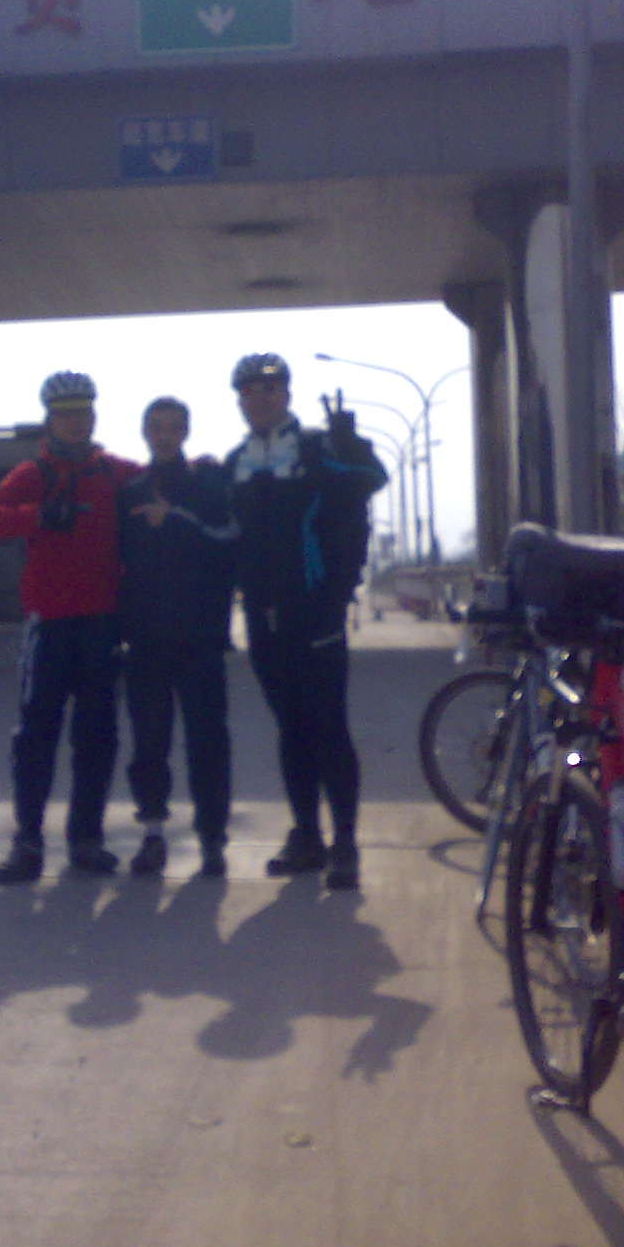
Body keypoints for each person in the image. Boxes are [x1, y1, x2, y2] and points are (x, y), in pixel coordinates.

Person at [225, 353, 388, 890]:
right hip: (263, 615)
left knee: (328, 726)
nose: (260, 398)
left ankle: (345, 842)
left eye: (270, 389)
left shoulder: (317, 447)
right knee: (291, 728)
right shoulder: (235, 463)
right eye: (250, 391)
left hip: (316, 610)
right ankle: (306, 836)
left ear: (287, 394)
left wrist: (348, 445)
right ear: (240, 400)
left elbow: (372, 478)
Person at [0, 371, 140, 884]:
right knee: (35, 738)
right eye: (65, 414)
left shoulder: (113, 473)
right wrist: (40, 515)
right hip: (49, 627)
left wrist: (205, 469)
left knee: (97, 738)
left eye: (82, 412)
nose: (75, 422)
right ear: (50, 419)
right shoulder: (33, 474)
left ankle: (85, 840)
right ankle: (27, 843)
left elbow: (167, 481)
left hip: (101, 625)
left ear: (94, 416)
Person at [119, 396, 238, 879]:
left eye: (173, 427)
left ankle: (212, 839)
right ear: (145, 432)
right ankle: (152, 834)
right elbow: (116, 563)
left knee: (208, 743)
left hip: (200, 640)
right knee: (149, 744)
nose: (165, 435)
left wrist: (177, 519)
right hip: (146, 642)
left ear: (186, 431)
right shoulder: (130, 492)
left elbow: (229, 544)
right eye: (157, 427)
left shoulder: (207, 487)